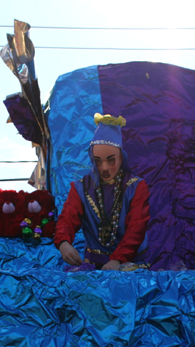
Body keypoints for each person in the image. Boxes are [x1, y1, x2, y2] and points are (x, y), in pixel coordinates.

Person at [53, 114, 150, 270]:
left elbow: (136, 228)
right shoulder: (80, 188)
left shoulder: (136, 187)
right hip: (93, 265)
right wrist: (63, 242)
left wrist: (118, 260)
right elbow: (68, 218)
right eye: (98, 161)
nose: (104, 168)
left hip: (130, 264)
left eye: (110, 160)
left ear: (121, 157)